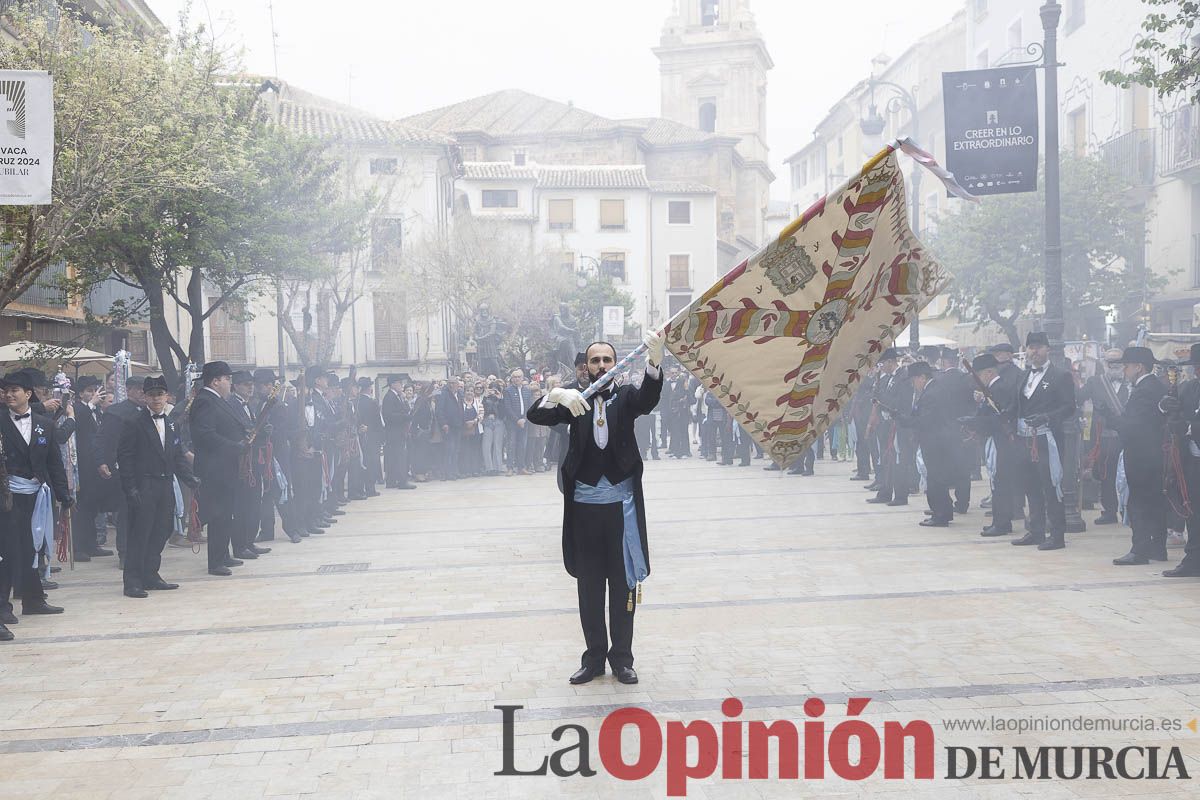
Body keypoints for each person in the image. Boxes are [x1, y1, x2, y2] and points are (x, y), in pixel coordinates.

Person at [527, 333, 665, 686]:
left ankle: (622, 659)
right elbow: (536, 416)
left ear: (615, 363)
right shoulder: (577, 400)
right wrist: (556, 394)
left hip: (621, 510)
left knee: (622, 587)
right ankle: (593, 659)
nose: (601, 365)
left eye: (607, 360)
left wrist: (654, 362)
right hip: (585, 511)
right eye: (595, 361)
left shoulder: (627, 397)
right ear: (585, 367)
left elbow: (649, 399)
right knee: (589, 589)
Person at [0, 370, 73, 641]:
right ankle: (3, 607)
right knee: (7, 551)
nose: (8, 395)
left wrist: (65, 496)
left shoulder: (44, 424)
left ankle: (33, 599)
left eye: (14, 390)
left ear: (28, 394)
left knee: (34, 546)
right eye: (5, 391)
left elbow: (53, 462)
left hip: (36, 495)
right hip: (7, 497)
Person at [117, 376, 199, 598]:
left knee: (161, 530)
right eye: (151, 395)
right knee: (140, 533)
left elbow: (176, 455)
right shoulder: (133, 422)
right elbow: (124, 458)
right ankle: (132, 581)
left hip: (165, 484)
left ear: (167, 397)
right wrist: (131, 488)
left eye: (160, 394)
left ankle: (151, 575)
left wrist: (189, 478)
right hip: (144, 484)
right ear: (144, 397)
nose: (156, 399)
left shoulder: (172, 423)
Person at [1011, 332, 1077, 552]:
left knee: (1051, 487)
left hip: (1047, 438)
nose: (1034, 352)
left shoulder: (1060, 376)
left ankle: (1057, 535)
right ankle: (1035, 530)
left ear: (1048, 349)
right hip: (1024, 438)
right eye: (1030, 348)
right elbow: (1016, 405)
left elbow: (1069, 407)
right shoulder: (1023, 376)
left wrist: (1047, 417)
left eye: (1038, 347)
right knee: (1030, 486)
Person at [189, 361, 249, 576]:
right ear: (215, 381)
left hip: (226, 466)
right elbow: (205, 434)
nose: (229, 384)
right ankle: (215, 561)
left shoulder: (218, 400)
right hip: (214, 468)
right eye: (227, 379)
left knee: (226, 513)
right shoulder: (205, 401)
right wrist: (234, 446)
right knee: (217, 514)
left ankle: (223, 554)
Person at [1110, 347, 1168, 566]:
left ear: (1139, 367)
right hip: (1152, 453)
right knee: (1154, 500)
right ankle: (1158, 547)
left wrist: (1113, 420)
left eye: (1127, 366)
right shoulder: (1153, 386)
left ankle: (1140, 549)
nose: (1124, 370)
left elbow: (1134, 425)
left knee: (1139, 501)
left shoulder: (1145, 389)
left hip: (1142, 454)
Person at [963, 354, 1018, 537]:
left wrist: (975, 422)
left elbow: (997, 418)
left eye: (977, 375)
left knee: (1000, 482)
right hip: (997, 440)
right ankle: (999, 519)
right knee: (997, 482)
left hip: (1002, 441)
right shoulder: (995, 388)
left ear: (988, 373)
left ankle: (1002, 522)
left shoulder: (999, 388)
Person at [95, 376, 145, 568]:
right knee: (125, 512)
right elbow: (102, 438)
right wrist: (102, 462)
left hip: (145, 469)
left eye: (144, 390)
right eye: (139, 389)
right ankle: (124, 552)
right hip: (123, 469)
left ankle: (140, 550)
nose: (142, 393)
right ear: (130, 390)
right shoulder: (116, 412)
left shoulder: (148, 412)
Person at [1162, 343, 1200, 577]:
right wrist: (1168, 408)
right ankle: (1193, 557)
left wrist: (1188, 427)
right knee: (1193, 509)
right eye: (1195, 366)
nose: (1197, 371)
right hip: (1193, 459)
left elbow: (1189, 424)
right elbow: (1177, 413)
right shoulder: (1188, 388)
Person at [70, 376, 111, 562]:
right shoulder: (77, 408)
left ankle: (92, 544)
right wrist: (92, 404)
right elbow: (78, 423)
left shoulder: (96, 411)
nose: (93, 394)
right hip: (81, 465)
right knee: (82, 507)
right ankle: (79, 547)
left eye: (95, 390)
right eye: (88, 391)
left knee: (93, 507)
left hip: (95, 464)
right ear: (80, 394)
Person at [1085, 350, 1127, 526]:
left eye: (1118, 361)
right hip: (1103, 437)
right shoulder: (1095, 382)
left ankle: (1129, 511)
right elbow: (1080, 400)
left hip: (1127, 437)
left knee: (1129, 476)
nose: (1115, 365)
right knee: (1105, 475)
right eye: (1111, 362)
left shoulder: (1132, 383)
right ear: (1104, 363)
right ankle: (1109, 511)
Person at [867, 349, 913, 507]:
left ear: (890, 362)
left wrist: (880, 398)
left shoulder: (903, 378)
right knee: (887, 459)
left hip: (898, 425)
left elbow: (900, 403)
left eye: (882, 364)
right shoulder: (887, 378)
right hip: (886, 425)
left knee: (899, 461)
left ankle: (901, 495)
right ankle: (885, 492)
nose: (881, 367)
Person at [381, 375, 415, 489]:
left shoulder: (398, 396)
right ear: (393, 384)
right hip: (393, 432)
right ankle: (401, 481)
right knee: (399, 456)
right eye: (399, 383)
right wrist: (404, 417)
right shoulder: (389, 397)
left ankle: (392, 480)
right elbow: (389, 416)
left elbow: (406, 409)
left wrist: (404, 399)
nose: (401, 385)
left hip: (398, 431)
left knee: (395, 457)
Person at [356, 377, 384, 496]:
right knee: (371, 463)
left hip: (362, 436)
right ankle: (370, 488)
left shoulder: (356, 401)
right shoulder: (372, 403)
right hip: (372, 436)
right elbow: (378, 422)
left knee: (365, 463)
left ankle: (365, 487)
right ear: (369, 389)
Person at [503, 369, 533, 475]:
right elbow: (507, 408)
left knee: (522, 445)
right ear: (512, 379)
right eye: (515, 377)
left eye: (519, 377)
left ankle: (521, 467)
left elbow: (530, 406)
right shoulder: (507, 390)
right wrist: (517, 420)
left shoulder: (527, 390)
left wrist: (524, 419)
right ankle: (510, 467)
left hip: (524, 422)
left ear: (522, 378)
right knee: (511, 444)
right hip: (512, 422)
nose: (517, 379)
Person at [481, 379, 506, 475]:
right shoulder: (485, 398)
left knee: (497, 445)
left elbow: (504, 412)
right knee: (486, 445)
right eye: (492, 389)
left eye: (496, 390)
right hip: (487, 421)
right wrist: (485, 396)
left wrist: (500, 398)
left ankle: (497, 467)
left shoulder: (501, 399)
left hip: (499, 421)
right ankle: (489, 468)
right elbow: (482, 409)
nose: (493, 392)